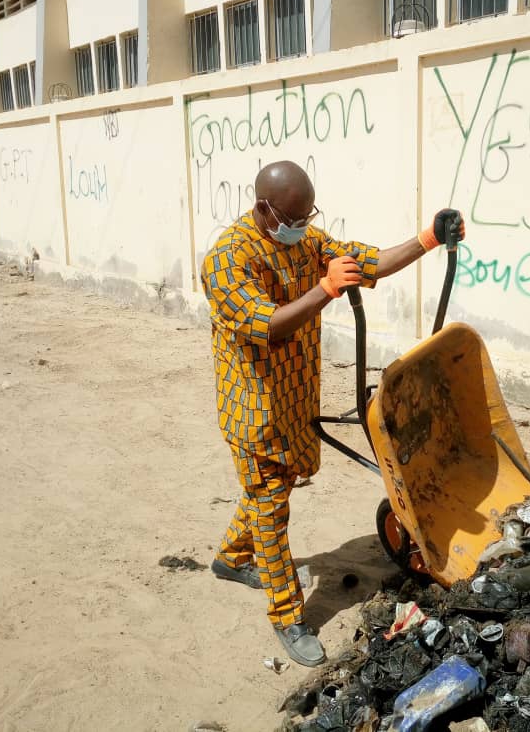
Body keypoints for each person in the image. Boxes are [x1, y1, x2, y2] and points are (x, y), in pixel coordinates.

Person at [199, 160, 464, 667]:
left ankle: (231, 557)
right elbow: (268, 325)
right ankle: (286, 616)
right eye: (295, 216)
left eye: (308, 214)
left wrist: (427, 239)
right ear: (263, 209)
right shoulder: (226, 260)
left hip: (296, 396)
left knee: (274, 486)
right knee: (271, 506)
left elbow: (369, 261)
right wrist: (325, 289)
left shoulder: (304, 240)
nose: (303, 225)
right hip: (255, 409)